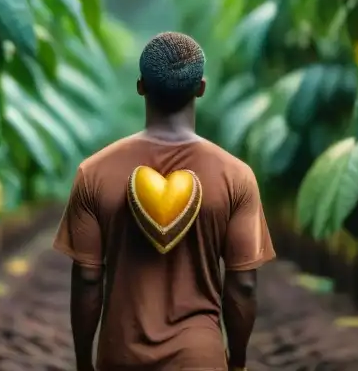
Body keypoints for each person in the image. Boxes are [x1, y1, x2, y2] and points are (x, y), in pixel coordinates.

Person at [53, 32, 276, 371]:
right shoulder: (236, 176)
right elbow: (243, 284)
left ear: (141, 87)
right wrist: (239, 362)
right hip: (198, 358)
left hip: (120, 356)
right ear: (201, 88)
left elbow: (87, 279)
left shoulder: (94, 172)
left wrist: (84, 362)